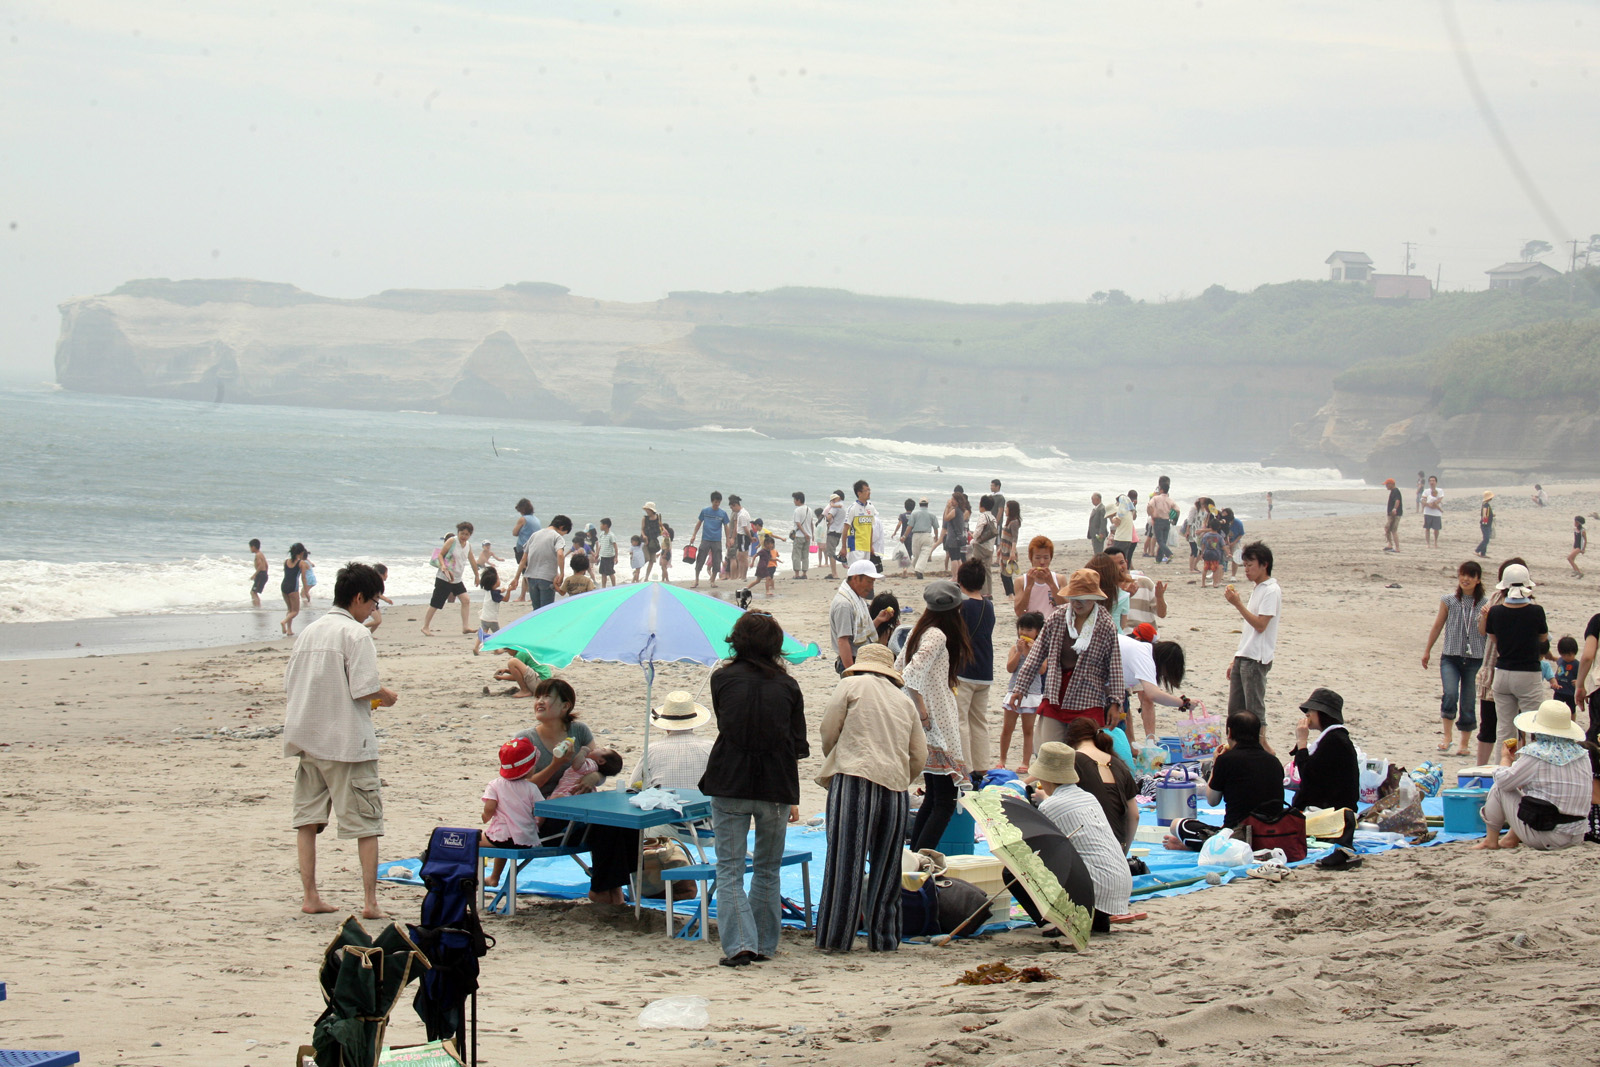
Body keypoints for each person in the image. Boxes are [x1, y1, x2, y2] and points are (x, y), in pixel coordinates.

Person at [283, 561, 396, 917]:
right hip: (346, 742)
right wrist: (386, 696)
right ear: (359, 597)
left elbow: (294, 684)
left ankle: (310, 895)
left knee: (307, 821)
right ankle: (370, 902)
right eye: (374, 602)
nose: (374, 609)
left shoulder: (309, 632)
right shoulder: (355, 634)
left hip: (307, 736)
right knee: (366, 823)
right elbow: (364, 689)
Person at [700, 612, 809, 966]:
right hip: (776, 783)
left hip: (730, 777)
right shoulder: (788, 686)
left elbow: (726, 722)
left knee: (729, 867)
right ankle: (763, 944)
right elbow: (797, 742)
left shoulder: (723, 679)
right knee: (767, 868)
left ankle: (740, 945)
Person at [815, 643, 926, 953]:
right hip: (895, 790)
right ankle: (885, 940)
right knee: (888, 869)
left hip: (853, 779)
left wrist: (838, 759)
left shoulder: (850, 684)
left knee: (845, 863)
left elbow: (828, 731)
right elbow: (919, 754)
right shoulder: (903, 701)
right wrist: (901, 778)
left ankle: (835, 940)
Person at [511, 679, 635, 904]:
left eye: (546, 697)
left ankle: (615, 889)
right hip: (543, 818)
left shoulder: (579, 730)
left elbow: (601, 764)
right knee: (605, 825)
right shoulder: (525, 739)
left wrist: (593, 777)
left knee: (626, 823)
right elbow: (519, 787)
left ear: (565, 706)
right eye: (538, 696)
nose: (539, 701)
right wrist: (556, 764)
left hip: (578, 811)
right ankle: (601, 890)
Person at [1008, 743, 1135, 935]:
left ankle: (1058, 921)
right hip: (1119, 884)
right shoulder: (1088, 797)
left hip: (1094, 889)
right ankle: (1098, 921)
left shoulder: (1052, 806)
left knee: (1012, 872)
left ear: (1045, 777)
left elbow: (1039, 851)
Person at [1003, 568, 1125, 744]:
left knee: (1084, 754)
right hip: (1056, 693)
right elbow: (1036, 656)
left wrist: (1115, 702)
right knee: (1050, 752)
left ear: (1094, 598)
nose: (1077, 603)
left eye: (1083, 598)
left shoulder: (1105, 625)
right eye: (1074, 597)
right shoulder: (1057, 618)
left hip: (1088, 694)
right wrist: (1020, 689)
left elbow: (1114, 667)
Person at [897, 580, 974, 851]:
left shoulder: (919, 631)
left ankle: (916, 856)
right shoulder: (938, 635)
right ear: (954, 610)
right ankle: (921, 858)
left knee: (934, 798)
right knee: (945, 802)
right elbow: (909, 675)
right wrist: (924, 713)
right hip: (937, 724)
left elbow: (900, 669)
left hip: (931, 722)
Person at [1470, 700, 1590, 851]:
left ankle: (1490, 841)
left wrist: (1505, 759)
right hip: (1577, 834)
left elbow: (1503, 781)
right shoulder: (1582, 755)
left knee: (1499, 788)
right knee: (1534, 795)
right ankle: (1510, 839)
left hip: (1548, 835)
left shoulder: (1536, 753)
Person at [1164, 711, 1283, 851]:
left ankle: (1195, 845)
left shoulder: (1226, 760)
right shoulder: (1274, 762)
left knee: (1177, 824)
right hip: (1272, 834)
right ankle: (1196, 844)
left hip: (1237, 836)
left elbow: (1212, 800)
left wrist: (1215, 763)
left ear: (1230, 732)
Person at [1421, 560, 1487, 756]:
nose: (1465, 579)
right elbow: (1438, 625)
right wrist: (1427, 650)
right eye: (1462, 575)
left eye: (1470, 575)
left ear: (1478, 579)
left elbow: (1487, 633)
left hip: (1475, 657)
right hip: (1450, 655)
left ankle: (1464, 743)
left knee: (1468, 700)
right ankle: (1447, 737)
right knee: (1450, 694)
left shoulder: (1485, 603)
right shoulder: (1448, 600)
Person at [1480, 563, 1549, 748]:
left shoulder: (1495, 611)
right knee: (1534, 726)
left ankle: (1501, 768)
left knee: (1504, 729)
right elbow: (1543, 638)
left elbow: (1493, 638)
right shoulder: (1536, 611)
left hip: (1502, 672)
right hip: (1528, 673)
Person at [1225, 542, 1280, 730]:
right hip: (1245, 655)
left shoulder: (1271, 590)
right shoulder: (1259, 588)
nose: (1246, 570)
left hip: (1256, 659)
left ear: (1264, 565)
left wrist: (1238, 604)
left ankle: (1262, 750)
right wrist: (1236, 658)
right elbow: (1248, 630)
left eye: (1250, 565)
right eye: (1245, 566)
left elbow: (1261, 625)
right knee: (1235, 713)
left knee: (1255, 713)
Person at [1063, 717, 1140, 851]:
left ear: (1070, 741)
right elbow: (1135, 815)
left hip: (1090, 846)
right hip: (1117, 847)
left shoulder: (1073, 761)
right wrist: (1124, 852)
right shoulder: (1119, 764)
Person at [480, 736, 545, 887]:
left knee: (472, 841)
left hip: (502, 837)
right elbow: (541, 811)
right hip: (526, 840)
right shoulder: (531, 788)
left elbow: (490, 807)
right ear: (530, 768)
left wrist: (485, 816)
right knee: (503, 840)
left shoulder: (495, 785)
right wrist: (535, 827)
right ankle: (494, 878)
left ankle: (473, 875)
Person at [954, 559, 996, 779]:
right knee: (979, 720)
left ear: (960, 581)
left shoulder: (962, 607)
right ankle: (981, 766)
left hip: (965, 670)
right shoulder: (988, 605)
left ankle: (966, 767)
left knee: (961, 719)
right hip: (985, 669)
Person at [1289, 688, 1359, 813]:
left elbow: (1308, 775)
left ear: (1322, 713)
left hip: (1331, 811)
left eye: (1311, 710)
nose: (1307, 714)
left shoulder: (1334, 741)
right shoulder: (1334, 737)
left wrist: (1302, 742)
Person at [629, 692, 716, 790]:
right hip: (703, 803)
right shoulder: (711, 747)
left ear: (665, 725)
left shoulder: (651, 750)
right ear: (694, 723)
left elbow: (634, 784)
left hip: (664, 803)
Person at [1118, 624, 1187, 741]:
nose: (1165, 675)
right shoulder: (1144, 655)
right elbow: (1153, 694)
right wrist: (1184, 703)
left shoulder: (1142, 650)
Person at [998, 612, 1045, 772]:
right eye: (1022, 629)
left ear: (1037, 631)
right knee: (1007, 728)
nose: (1024, 633)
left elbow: (1042, 670)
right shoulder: (1014, 647)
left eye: (1028, 629)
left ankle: (1025, 762)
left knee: (1028, 729)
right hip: (1013, 690)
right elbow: (1010, 668)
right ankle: (1002, 760)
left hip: (1032, 693)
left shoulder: (1041, 649)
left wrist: (1031, 652)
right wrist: (1019, 651)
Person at [830, 559, 895, 673]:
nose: (871, 587)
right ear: (855, 578)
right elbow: (843, 640)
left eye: (873, 582)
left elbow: (861, 633)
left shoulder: (857, 598)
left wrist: (878, 620)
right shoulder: (844, 604)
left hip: (862, 660)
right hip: (853, 661)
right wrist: (851, 672)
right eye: (869, 581)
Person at [422, 522, 479, 636]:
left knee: (466, 600)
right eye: (462, 533)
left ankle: (465, 627)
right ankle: (425, 627)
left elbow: (472, 560)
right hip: (444, 578)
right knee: (436, 603)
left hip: (457, 579)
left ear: (470, 535)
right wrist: (443, 566)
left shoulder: (468, 545)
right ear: (458, 532)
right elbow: (440, 555)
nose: (463, 536)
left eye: (466, 534)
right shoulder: (452, 541)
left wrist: (477, 575)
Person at [516, 515, 571, 610]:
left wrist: (516, 578)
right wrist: (562, 573)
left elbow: (523, 559)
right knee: (546, 612)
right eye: (564, 533)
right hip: (547, 579)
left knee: (536, 611)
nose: (562, 535)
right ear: (561, 527)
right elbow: (560, 555)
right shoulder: (557, 537)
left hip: (531, 579)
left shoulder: (535, 535)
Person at [690, 491, 730, 588]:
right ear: (712, 501)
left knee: (717, 560)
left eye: (719, 502)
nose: (717, 504)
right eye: (715, 502)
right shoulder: (705, 511)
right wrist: (694, 535)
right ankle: (696, 580)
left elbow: (726, 527)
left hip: (717, 540)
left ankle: (713, 580)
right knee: (700, 558)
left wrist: (728, 540)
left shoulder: (723, 513)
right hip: (706, 539)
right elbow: (699, 523)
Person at [1013, 535, 1060, 618]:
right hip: (1031, 627)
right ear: (1031, 558)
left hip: (1053, 627)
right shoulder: (1021, 581)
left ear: (1050, 558)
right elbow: (1019, 612)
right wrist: (1028, 587)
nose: (1042, 562)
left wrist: (1052, 584)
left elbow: (1066, 608)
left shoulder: (1059, 579)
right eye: (1037, 558)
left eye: (1046, 558)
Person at [967, 495, 999, 598]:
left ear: (982, 505)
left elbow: (978, 531)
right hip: (990, 547)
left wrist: (973, 536)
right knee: (987, 569)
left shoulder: (983, 516)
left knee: (977, 568)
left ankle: (981, 591)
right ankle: (989, 592)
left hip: (981, 546)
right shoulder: (993, 518)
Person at [842, 480, 879, 565]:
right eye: (866, 490)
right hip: (855, 545)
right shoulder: (852, 508)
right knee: (855, 573)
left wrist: (870, 546)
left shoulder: (871, 507)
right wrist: (844, 547)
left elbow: (871, 528)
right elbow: (845, 529)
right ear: (859, 493)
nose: (869, 492)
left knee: (864, 573)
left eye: (869, 490)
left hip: (866, 546)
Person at [279, 542, 311, 636]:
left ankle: (289, 630)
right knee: (295, 611)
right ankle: (284, 622)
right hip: (293, 587)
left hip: (284, 586)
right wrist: (306, 591)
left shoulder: (286, 562)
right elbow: (303, 578)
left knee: (290, 609)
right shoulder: (301, 563)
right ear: (301, 553)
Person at [473, 566, 504, 655]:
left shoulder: (488, 591)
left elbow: (497, 592)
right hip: (492, 619)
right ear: (494, 584)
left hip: (484, 617)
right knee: (496, 635)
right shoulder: (495, 594)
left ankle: (476, 648)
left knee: (483, 633)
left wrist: (502, 590)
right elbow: (503, 598)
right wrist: (509, 590)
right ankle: (496, 650)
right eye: (498, 579)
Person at [907, 497, 939, 578]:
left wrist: (904, 536)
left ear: (919, 504)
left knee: (916, 555)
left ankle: (918, 570)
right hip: (926, 535)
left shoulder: (914, 513)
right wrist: (936, 536)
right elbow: (935, 527)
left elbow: (909, 526)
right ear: (927, 505)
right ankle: (918, 570)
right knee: (924, 554)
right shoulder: (932, 515)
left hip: (916, 536)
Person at [942, 487, 970, 576]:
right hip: (958, 536)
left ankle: (955, 576)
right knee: (958, 557)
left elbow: (946, 518)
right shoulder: (961, 511)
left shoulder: (955, 511)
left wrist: (947, 507)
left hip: (953, 537)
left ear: (957, 501)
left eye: (953, 499)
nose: (952, 501)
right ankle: (959, 575)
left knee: (954, 558)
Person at [744, 533, 782, 598]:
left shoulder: (768, 551)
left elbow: (770, 558)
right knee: (768, 578)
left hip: (762, 567)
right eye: (770, 544)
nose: (771, 545)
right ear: (766, 544)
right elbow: (755, 555)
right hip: (762, 566)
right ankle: (767, 591)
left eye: (772, 544)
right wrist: (752, 563)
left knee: (758, 580)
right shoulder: (763, 550)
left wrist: (776, 560)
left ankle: (746, 588)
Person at [998, 499, 1022, 598]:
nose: (1005, 510)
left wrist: (1012, 552)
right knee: (1004, 572)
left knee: (1006, 574)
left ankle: (1011, 594)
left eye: (1007, 508)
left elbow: (1015, 538)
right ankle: (1011, 594)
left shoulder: (1014, 522)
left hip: (1009, 550)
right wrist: (1000, 548)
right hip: (1004, 549)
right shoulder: (1009, 521)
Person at [1148, 476, 1174, 564]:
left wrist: (1152, 514)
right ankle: (1156, 555)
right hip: (1165, 520)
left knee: (1159, 539)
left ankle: (1167, 555)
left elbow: (1149, 505)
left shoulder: (1158, 494)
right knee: (1159, 539)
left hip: (1158, 519)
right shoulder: (1158, 493)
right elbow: (1176, 509)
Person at [822, 492, 847, 579]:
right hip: (840, 531)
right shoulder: (844, 507)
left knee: (831, 552)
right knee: (832, 550)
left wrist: (827, 521)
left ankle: (834, 574)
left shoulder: (835, 506)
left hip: (833, 530)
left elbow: (829, 517)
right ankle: (834, 573)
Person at [789, 492, 814, 579]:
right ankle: (804, 573)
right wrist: (811, 534)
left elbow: (798, 524)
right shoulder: (809, 509)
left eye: (794, 499)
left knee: (796, 555)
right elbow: (811, 523)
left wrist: (805, 533)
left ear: (798, 500)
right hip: (808, 536)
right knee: (805, 555)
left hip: (799, 535)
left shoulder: (797, 510)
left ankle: (796, 574)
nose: (794, 501)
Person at [1552, 636, 1579, 711]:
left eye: (1570, 655)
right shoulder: (1561, 660)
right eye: (1564, 655)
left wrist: (1578, 682)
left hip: (1570, 692)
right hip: (1559, 690)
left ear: (1575, 652)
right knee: (1555, 709)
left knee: (1571, 710)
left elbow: (1582, 676)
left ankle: (1572, 721)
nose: (1567, 657)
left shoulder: (1577, 664)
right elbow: (1555, 659)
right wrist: (1550, 657)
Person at [363, 564, 393, 632]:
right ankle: (361, 628)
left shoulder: (378, 582)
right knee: (377, 621)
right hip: (369, 604)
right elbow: (377, 594)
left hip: (374, 604)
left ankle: (369, 634)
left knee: (378, 621)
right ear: (381, 574)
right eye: (386, 573)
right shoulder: (375, 582)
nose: (387, 575)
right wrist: (386, 599)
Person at [640, 502, 662, 581]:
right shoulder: (644, 518)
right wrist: (644, 536)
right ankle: (637, 571)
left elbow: (660, 527)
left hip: (653, 541)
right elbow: (642, 529)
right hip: (645, 541)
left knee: (652, 560)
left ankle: (646, 577)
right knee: (646, 558)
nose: (646, 511)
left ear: (651, 510)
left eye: (647, 510)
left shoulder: (658, 517)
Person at [593, 517, 618, 588]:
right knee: (603, 573)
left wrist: (616, 557)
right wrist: (597, 554)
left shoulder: (611, 535)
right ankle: (603, 587)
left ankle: (614, 587)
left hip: (610, 557)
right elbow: (600, 545)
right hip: (603, 556)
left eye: (601, 524)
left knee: (610, 573)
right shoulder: (601, 534)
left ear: (606, 525)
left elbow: (615, 547)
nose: (600, 526)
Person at [1421, 476, 1443, 549]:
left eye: (1433, 481)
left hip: (1436, 513)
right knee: (1427, 528)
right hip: (1427, 512)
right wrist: (1428, 505)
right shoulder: (1426, 491)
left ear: (1436, 482)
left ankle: (1435, 542)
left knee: (1436, 529)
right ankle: (1428, 543)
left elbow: (1440, 499)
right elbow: (1423, 500)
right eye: (1430, 481)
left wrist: (1434, 505)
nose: (1432, 482)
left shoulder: (1440, 490)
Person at [249, 538, 269, 607]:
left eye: (250, 547)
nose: (250, 549)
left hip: (261, 574)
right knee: (254, 592)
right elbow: (266, 565)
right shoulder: (261, 554)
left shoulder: (258, 555)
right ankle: (257, 606)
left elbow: (261, 565)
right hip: (263, 574)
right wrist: (266, 573)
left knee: (253, 592)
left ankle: (257, 607)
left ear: (253, 547)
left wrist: (255, 575)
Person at [1476, 492, 1495, 557]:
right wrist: (1485, 520)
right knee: (1486, 539)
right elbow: (1484, 514)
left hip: (1486, 524)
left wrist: (1492, 515)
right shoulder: (1485, 505)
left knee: (1486, 538)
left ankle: (1483, 553)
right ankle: (1477, 550)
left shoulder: (1485, 504)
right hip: (1485, 525)